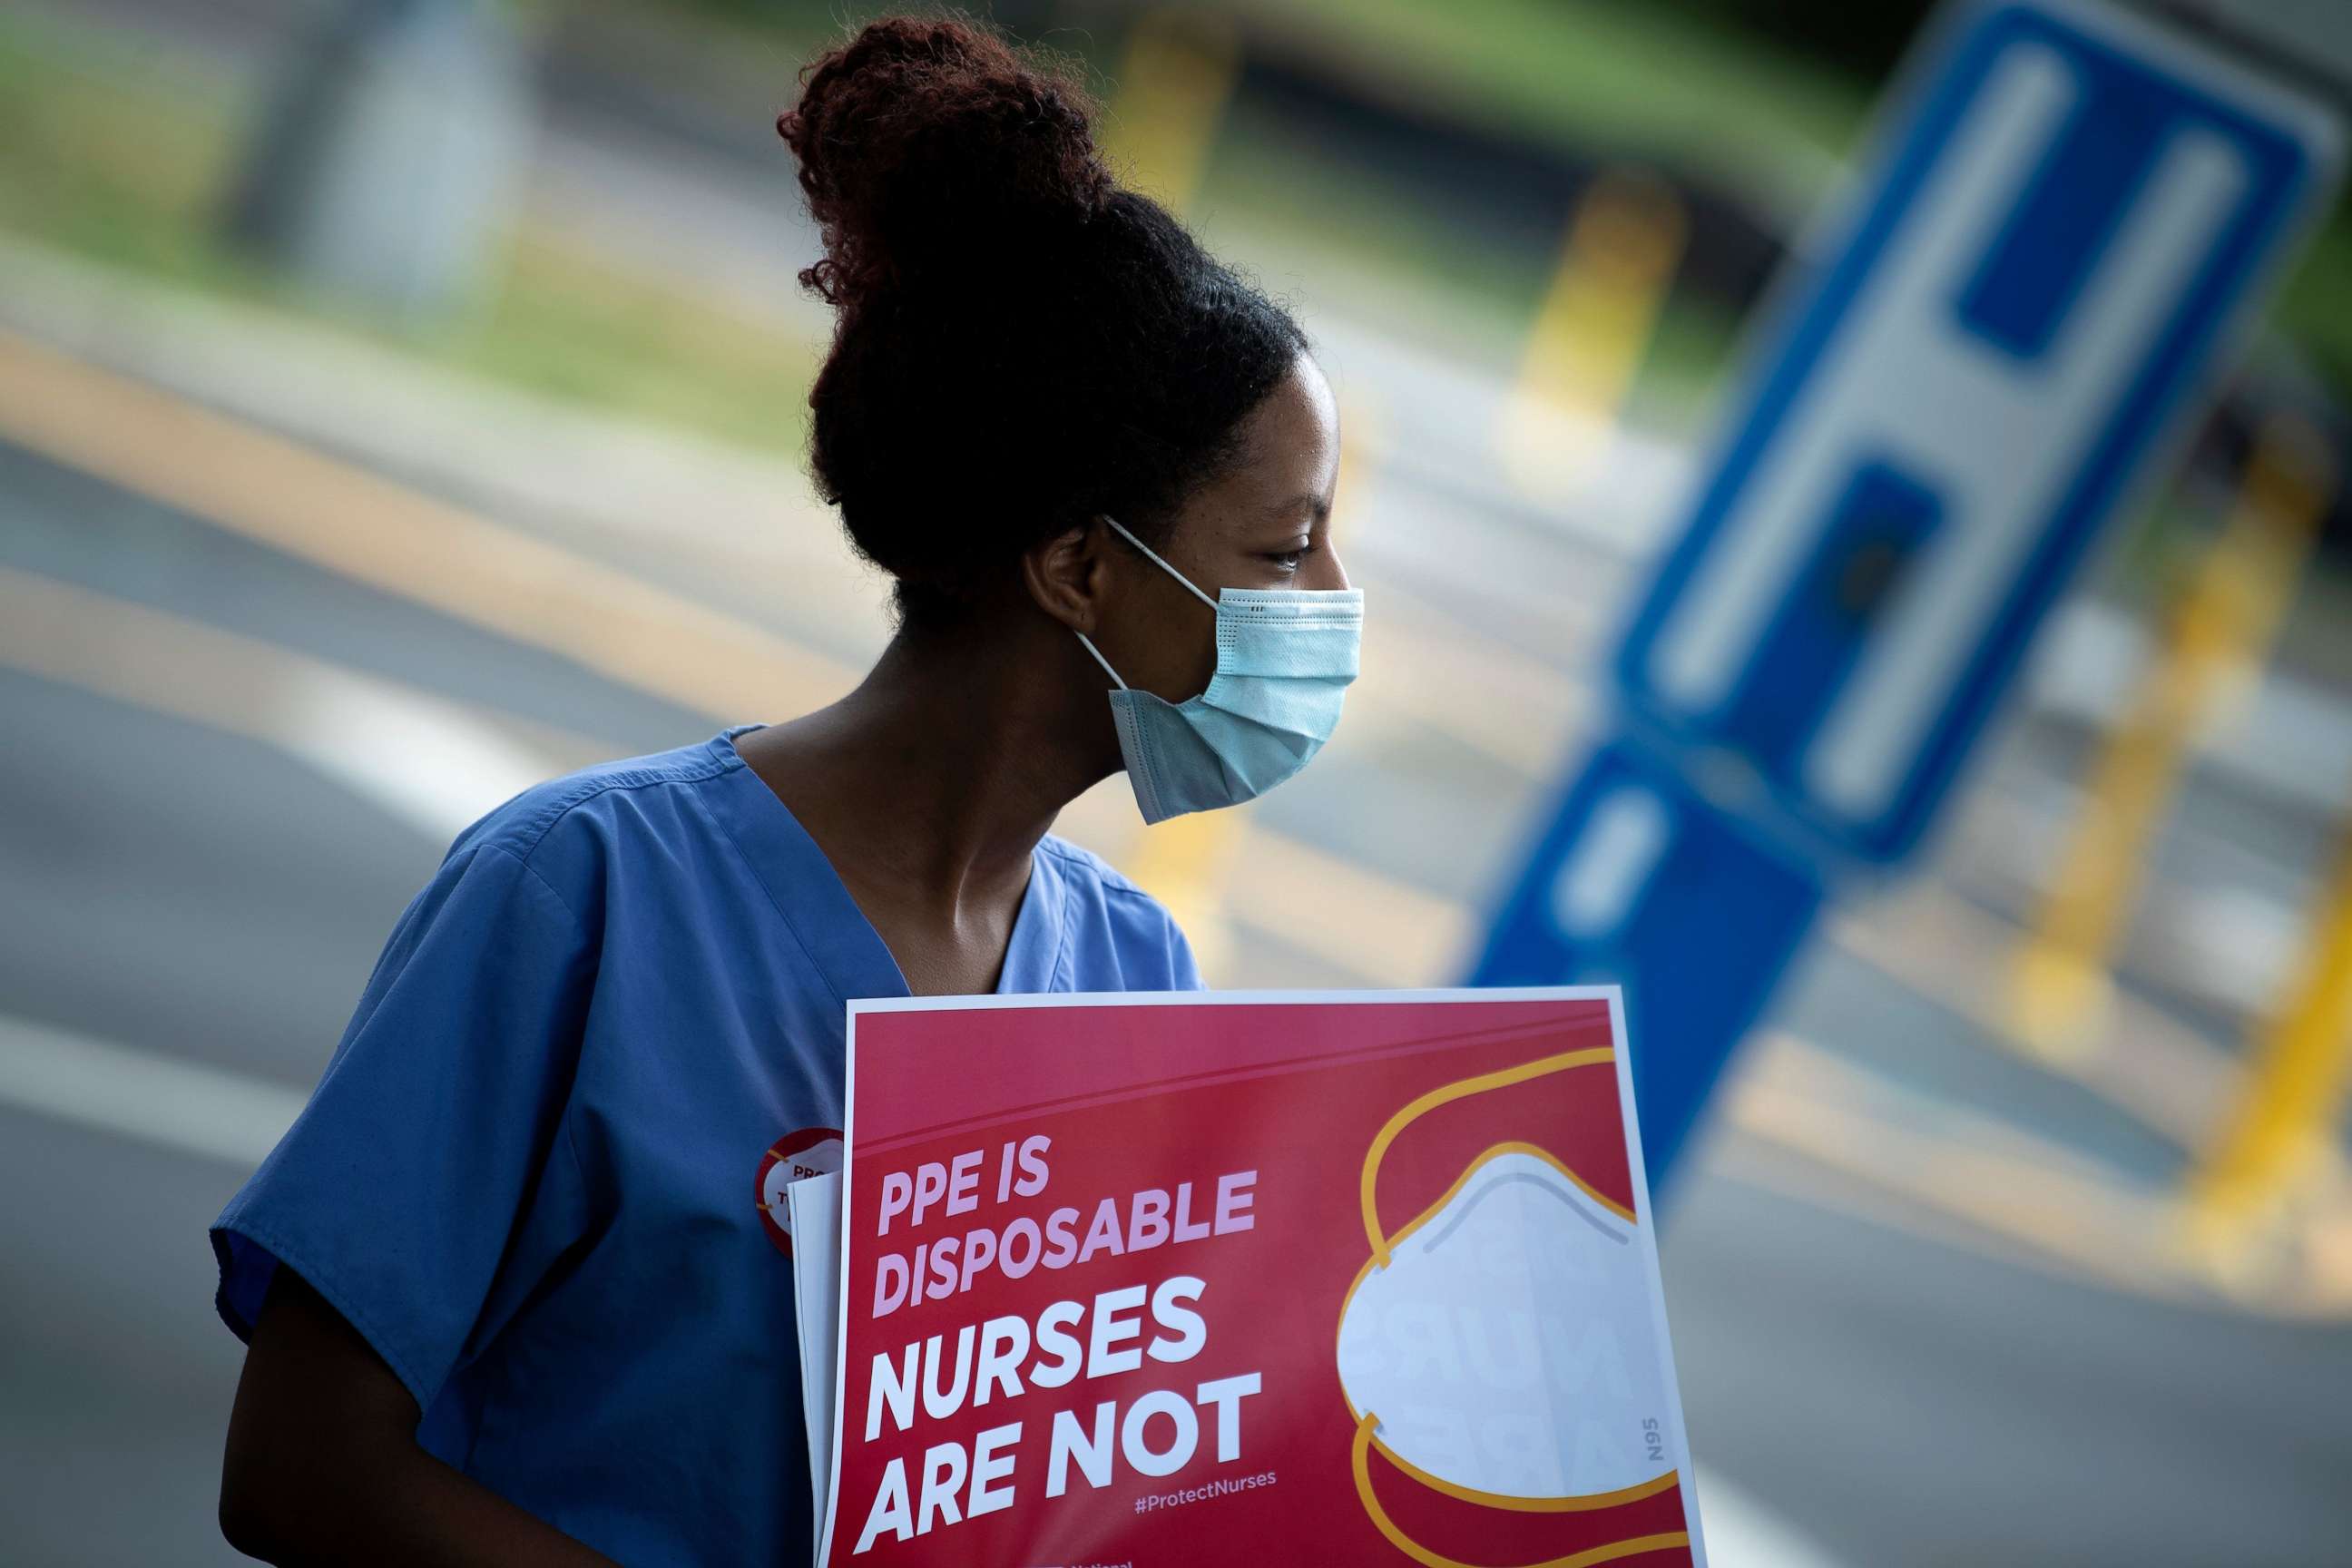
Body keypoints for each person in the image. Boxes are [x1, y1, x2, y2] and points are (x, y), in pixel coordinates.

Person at [210, 12, 1360, 1566]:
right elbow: (299, 1468)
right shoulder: (581, 897)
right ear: (1082, 565)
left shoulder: (1134, 983)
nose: (1335, 599)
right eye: (1288, 549)